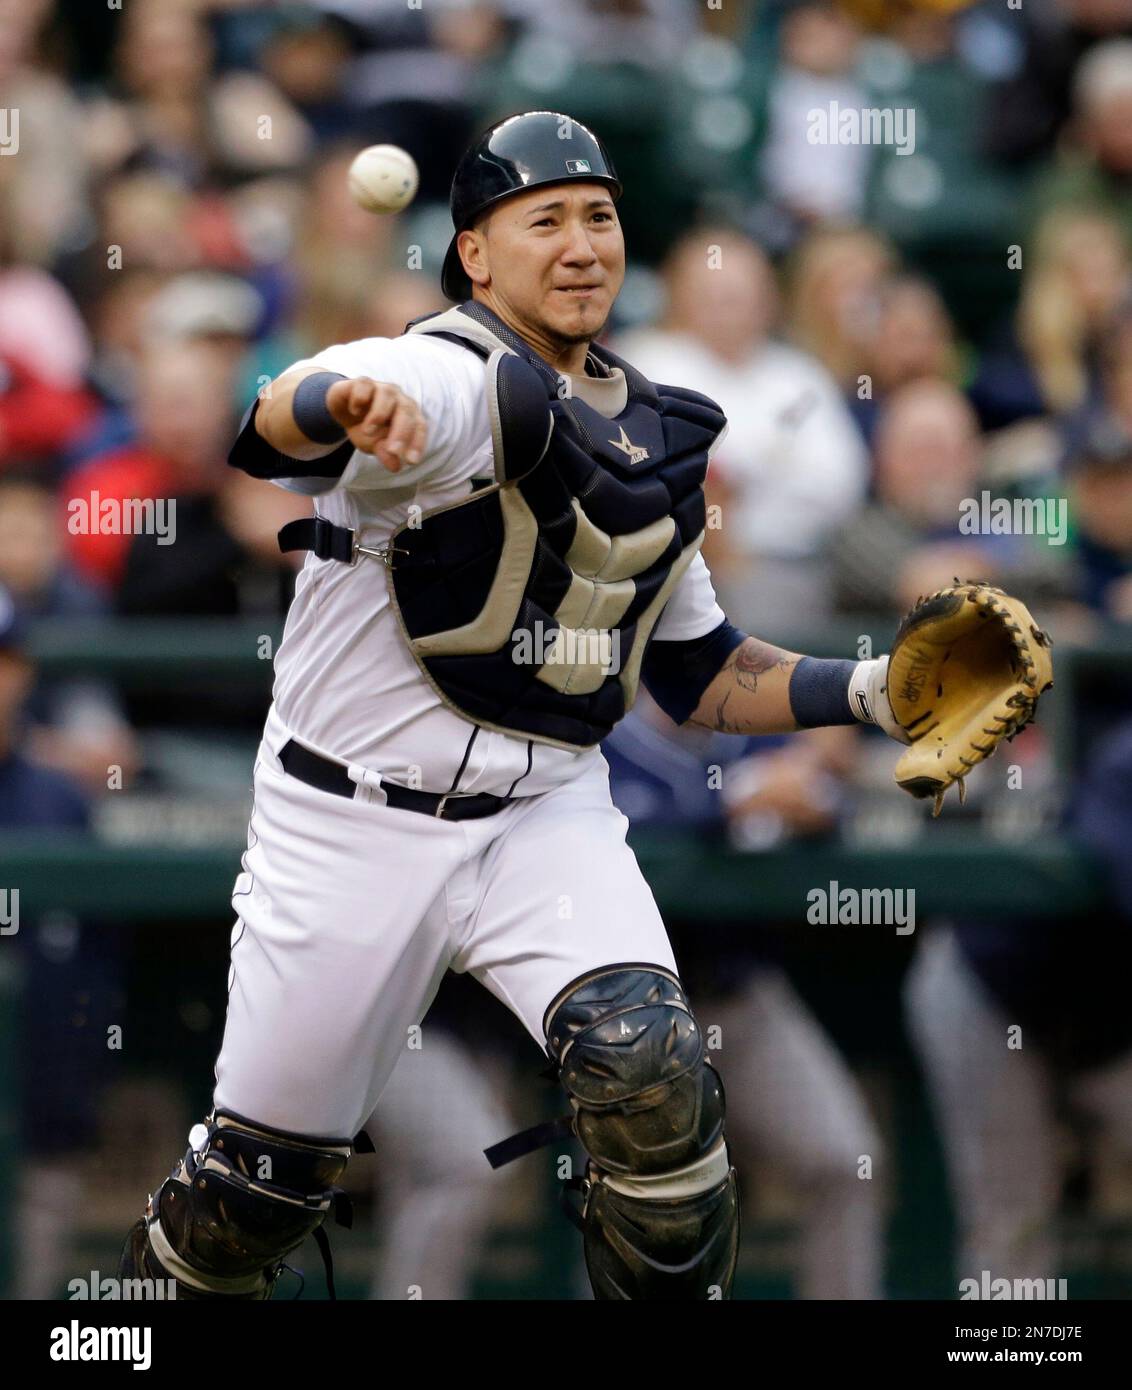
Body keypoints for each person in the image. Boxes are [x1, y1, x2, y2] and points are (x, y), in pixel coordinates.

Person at [118, 109, 912, 1302]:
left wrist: (873, 687)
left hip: (543, 812)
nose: (583, 242)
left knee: (653, 1079)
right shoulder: (437, 374)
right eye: (545, 220)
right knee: (248, 1199)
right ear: (477, 254)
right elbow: (273, 413)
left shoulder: (650, 434)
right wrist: (336, 408)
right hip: (349, 824)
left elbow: (698, 671)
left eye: (599, 215)